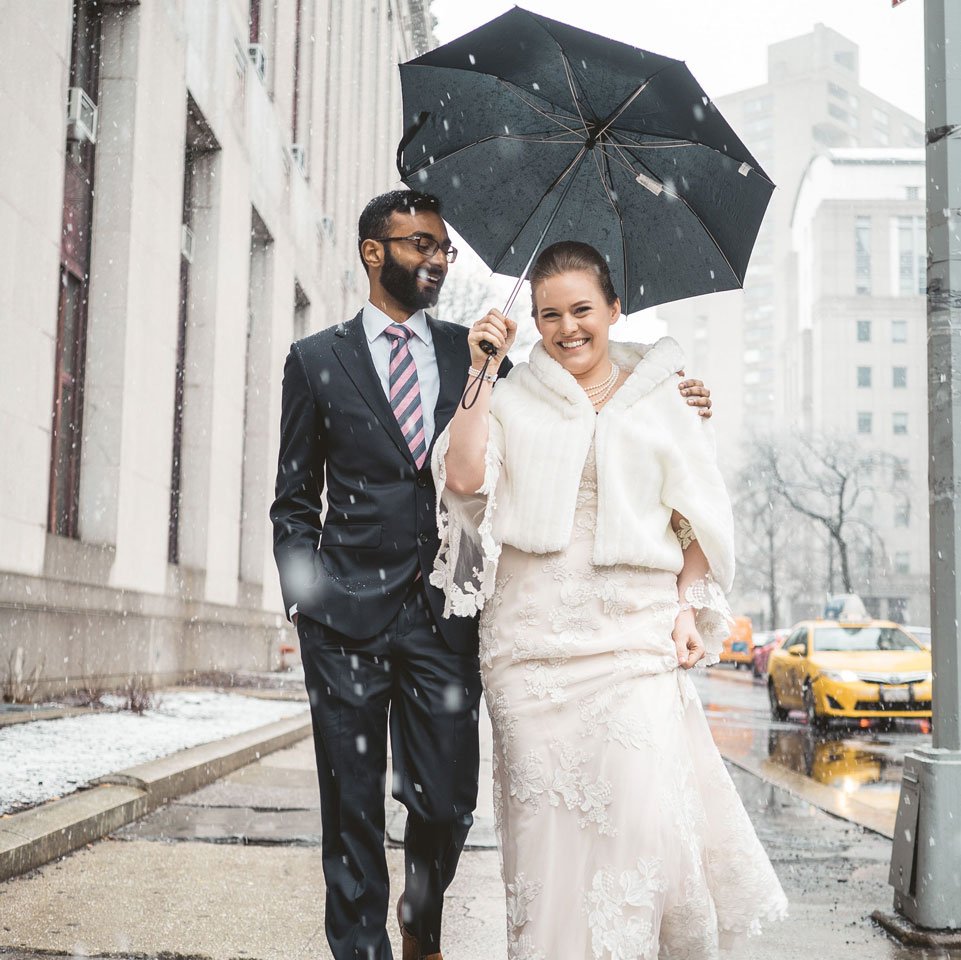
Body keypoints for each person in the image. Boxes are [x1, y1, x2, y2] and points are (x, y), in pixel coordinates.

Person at [270, 191, 714, 960]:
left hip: (447, 614)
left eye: (443, 247)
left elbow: (575, 402)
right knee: (351, 806)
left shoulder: (480, 356)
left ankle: (419, 923)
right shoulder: (315, 360)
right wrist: (306, 597)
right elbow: (293, 497)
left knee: (443, 804)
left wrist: (673, 395)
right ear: (373, 253)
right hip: (342, 617)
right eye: (419, 245)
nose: (437, 259)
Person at [432, 240, 787, 959]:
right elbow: (466, 480)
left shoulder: (665, 395)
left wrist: (688, 605)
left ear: (615, 309)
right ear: (530, 320)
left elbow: (696, 518)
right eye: (549, 314)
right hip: (529, 652)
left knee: (639, 824)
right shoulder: (509, 396)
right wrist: (479, 371)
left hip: (633, 638)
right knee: (547, 847)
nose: (567, 328)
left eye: (582, 310)